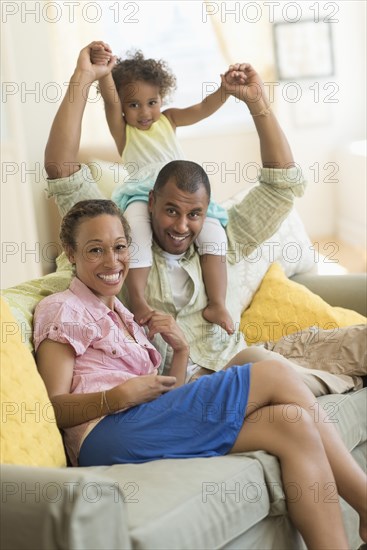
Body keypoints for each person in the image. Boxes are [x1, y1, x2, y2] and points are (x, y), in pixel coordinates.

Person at [33, 198, 367, 549]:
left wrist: (181, 351)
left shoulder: (123, 314)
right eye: (95, 250)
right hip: (102, 437)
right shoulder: (62, 309)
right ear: (70, 253)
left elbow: (166, 404)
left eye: (119, 247)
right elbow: (53, 407)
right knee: (273, 374)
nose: (112, 261)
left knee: (292, 423)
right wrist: (115, 398)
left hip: (137, 423)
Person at [44, 42, 363, 393]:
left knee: (354, 346)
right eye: (170, 211)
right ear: (150, 202)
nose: (182, 227)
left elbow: (281, 184)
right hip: (193, 387)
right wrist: (83, 77)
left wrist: (256, 101)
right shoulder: (116, 250)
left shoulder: (222, 235)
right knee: (304, 391)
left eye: (193, 214)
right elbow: (62, 170)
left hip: (237, 360)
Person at [90, 41, 234, 334]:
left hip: (180, 193)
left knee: (215, 233)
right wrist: (105, 72)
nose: (145, 112)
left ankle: (218, 303)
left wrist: (226, 90)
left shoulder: (169, 120)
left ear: (161, 98)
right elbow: (109, 101)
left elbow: (203, 108)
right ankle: (140, 300)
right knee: (136, 230)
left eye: (152, 102)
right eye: (133, 105)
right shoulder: (124, 130)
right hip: (141, 194)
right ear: (123, 107)